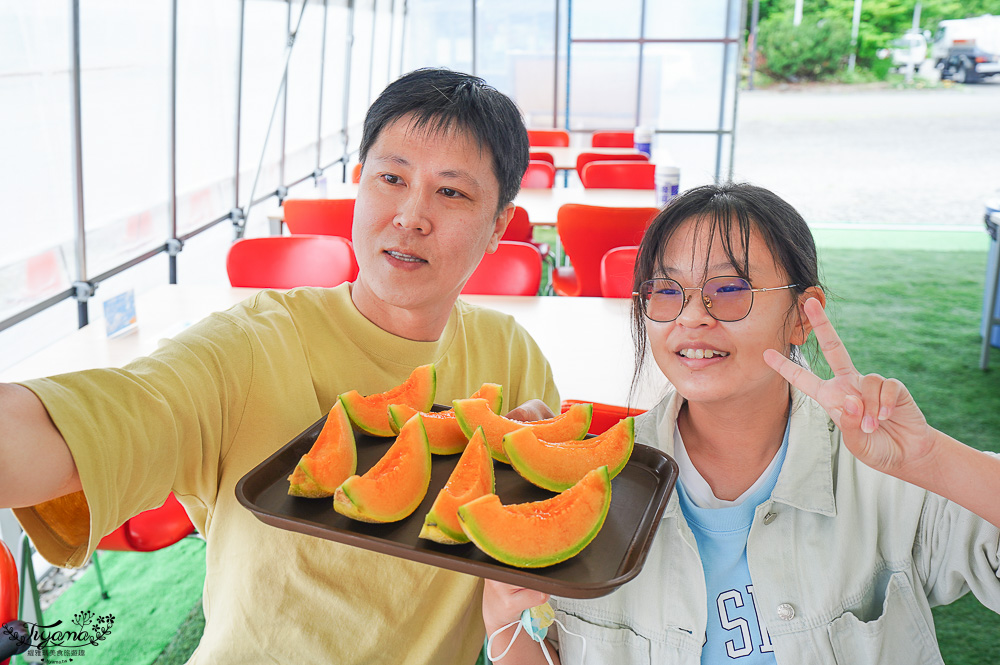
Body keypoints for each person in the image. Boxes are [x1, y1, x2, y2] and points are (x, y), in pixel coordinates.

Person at [1, 68, 559, 664]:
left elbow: (537, 630)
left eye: (451, 192)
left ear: (499, 225)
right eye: (392, 178)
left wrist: (512, 607)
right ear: (359, 184)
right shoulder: (248, 346)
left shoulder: (512, 358)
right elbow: (66, 431)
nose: (410, 216)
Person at [483, 182, 1000, 664]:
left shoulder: (888, 477)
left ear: (803, 314)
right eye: (666, 290)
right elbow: (542, 648)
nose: (691, 316)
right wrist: (503, 613)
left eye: (729, 288)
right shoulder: (587, 487)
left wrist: (931, 460)